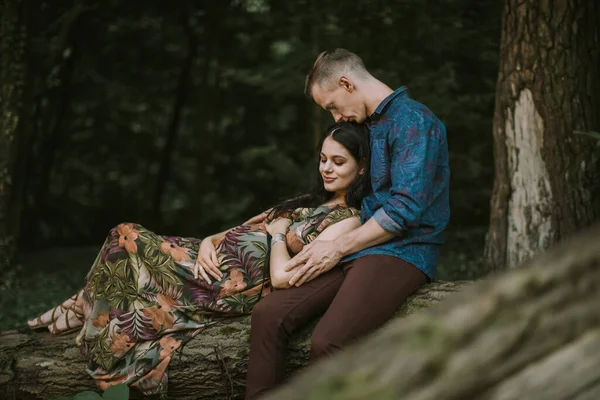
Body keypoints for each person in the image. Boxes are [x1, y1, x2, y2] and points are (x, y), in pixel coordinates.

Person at [27, 121, 371, 397]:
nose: (326, 168)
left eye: (338, 162)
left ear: (361, 168)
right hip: (205, 260)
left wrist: (280, 232)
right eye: (323, 159)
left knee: (124, 234)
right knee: (122, 240)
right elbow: (243, 228)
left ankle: (82, 309)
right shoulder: (310, 200)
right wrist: (209, 241)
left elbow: (282, 277)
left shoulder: (347, 221)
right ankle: (82, 304)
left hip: (227, 285)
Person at [245, 49, 450, 399]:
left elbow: (405, 209)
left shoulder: (414, 121)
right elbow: (342, 185)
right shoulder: (369, 124)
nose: (337, 118)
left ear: (346, 82)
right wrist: (289, 213)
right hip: (359, 244)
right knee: (268, 316)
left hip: (403, 250)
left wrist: (336, 247)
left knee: (329, 342)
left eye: (332, 107)